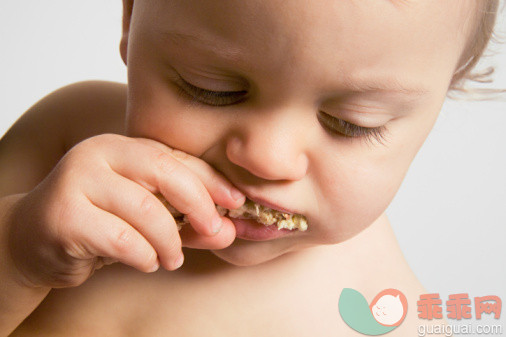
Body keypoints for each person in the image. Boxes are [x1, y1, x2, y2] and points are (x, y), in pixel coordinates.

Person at [0, 0, 503, 335]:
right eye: (210, 88)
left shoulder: (379, 314)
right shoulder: (68, 132)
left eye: (350, 123)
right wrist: (18, 252)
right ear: (132, 21)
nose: (269, 157)